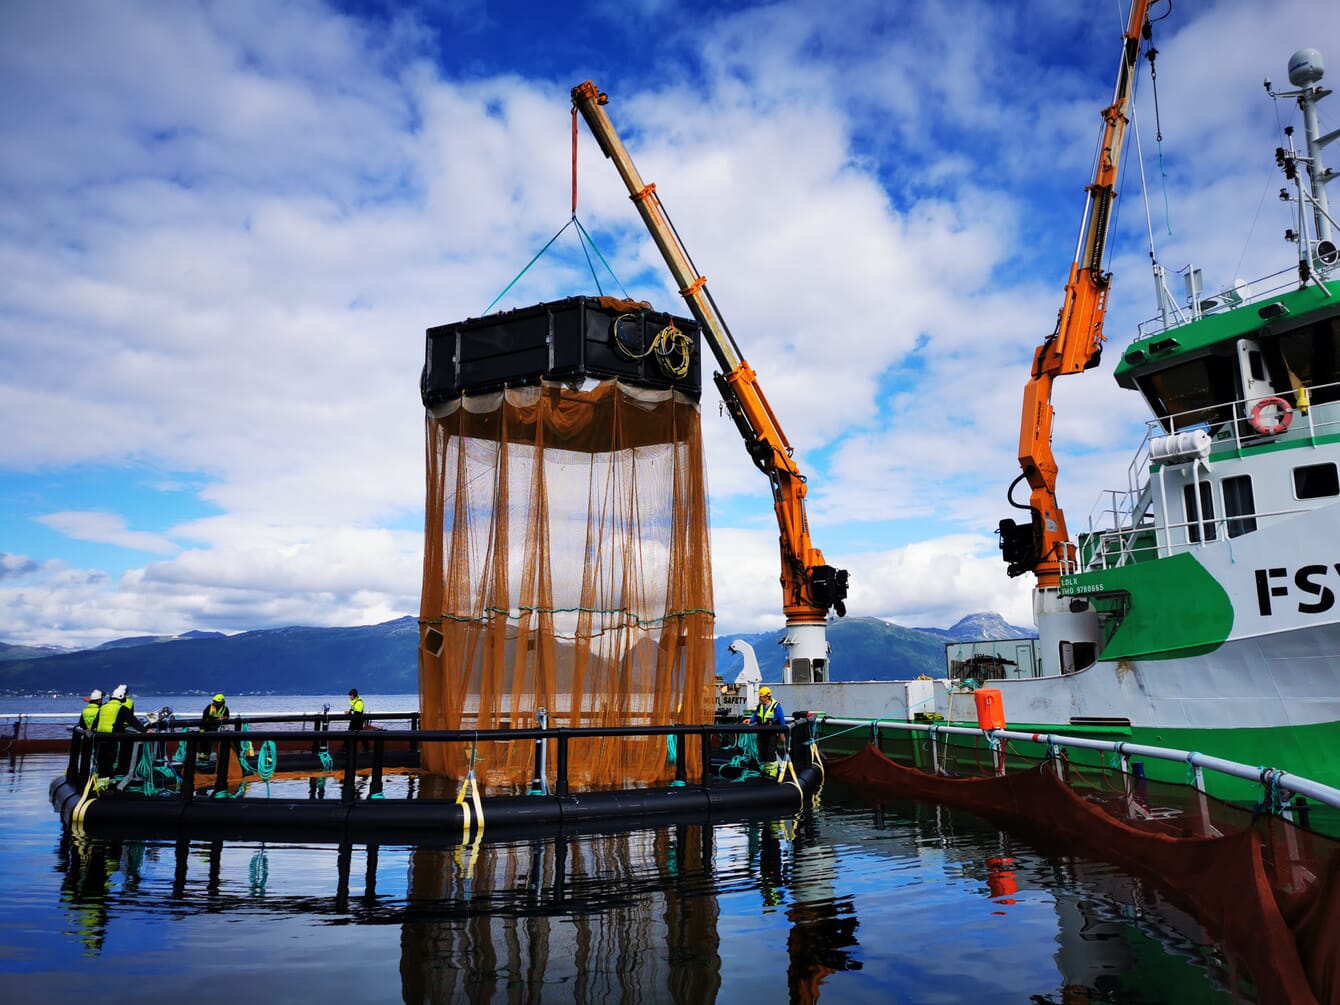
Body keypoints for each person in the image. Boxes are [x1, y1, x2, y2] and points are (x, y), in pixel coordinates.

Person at [94, 684, 145, 777]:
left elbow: (95, 723)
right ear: (122, 697)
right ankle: (110, 781)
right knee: (111, 761)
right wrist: (145, 730)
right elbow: (134, 721)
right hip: (112, 738)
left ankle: (99, 781)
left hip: (99, 738)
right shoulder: (121, 708)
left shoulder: (103, 707)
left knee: (101, 762)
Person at [746, 685, 786, 771]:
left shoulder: (776, 706)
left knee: (770, 752)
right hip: (762, 733)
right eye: (760, 697)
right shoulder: (760, 707)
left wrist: (782, 734)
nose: (760, 698)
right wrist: (750, 720)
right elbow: (756, 716)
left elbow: (782, 720)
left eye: (762, 697)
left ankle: (772, 772)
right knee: (762, 751)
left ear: (767, 697)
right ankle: (763, 769)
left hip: (771, 734)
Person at [199, 693, 230, 764]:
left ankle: (208, 758)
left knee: (211, 743)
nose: (215, 703)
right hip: (205, 727)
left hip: (215, 728)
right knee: (204, 742)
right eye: (214, 701)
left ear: (222, 702)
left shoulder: (225, 708)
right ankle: (202, 758)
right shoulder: (209, 707)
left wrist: (223, 718)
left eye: (217, 702)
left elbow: (227, 716)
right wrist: (216, 719)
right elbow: (204, 718)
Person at [347, 688, 366, 753]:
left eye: (350, 695)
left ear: (354, 695)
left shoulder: (359, 702)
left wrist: (350, 714)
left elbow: (357, 713)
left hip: (357, 721)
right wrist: (349, 712)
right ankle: (347, 747)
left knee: (357, 734)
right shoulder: (355, 702)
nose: (349, 697)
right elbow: (353, 711)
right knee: (359, 734)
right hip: (355, 720)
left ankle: (366, 748)